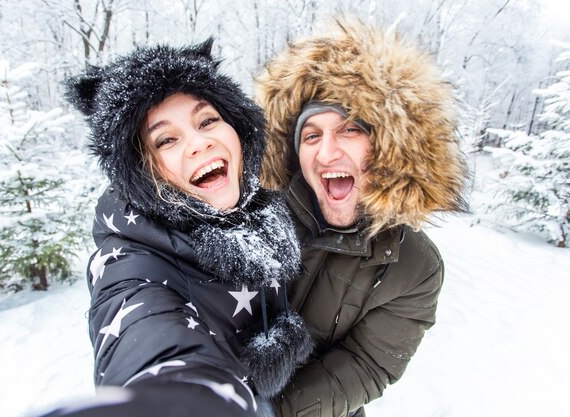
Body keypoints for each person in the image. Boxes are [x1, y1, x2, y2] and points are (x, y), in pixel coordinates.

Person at [53, 39, 313, 416]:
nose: (200, 142)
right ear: (140, 168)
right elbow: (147, 339)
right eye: (166, 139)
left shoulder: (258, 211)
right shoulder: (132, 261)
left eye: (207, 120)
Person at [255, 19, 469, 417]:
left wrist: (268, 411)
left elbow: (369, 363)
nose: (326, 153)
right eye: (311, 135)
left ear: (390, 146)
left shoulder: (415, 267)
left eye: (350, 129)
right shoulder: (254, 214)